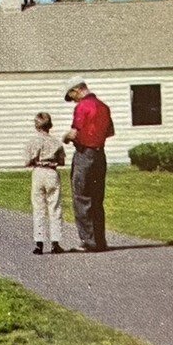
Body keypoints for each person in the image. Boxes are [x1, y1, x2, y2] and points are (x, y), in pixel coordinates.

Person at [62, 76, 115, 252]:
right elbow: (109, 132)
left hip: (84, 154)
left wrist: (65, 138)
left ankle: (88, 241)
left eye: (72, 96)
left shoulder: (81, 107)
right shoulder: (104, 107)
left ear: (76, 90)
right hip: (100, 155)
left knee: (82, 196)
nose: (73, 101)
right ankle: (100, 240)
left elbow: (74, 134)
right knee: (97, 198)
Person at [24, 112, 66, 255]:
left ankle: (39, 243)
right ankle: (55, 243)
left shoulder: (32, 142)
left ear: (36, 126)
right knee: (55, 207)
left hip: (38, 173)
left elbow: (27, 161)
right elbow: (62, 161)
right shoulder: (56, 143)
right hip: (52, 172)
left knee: (39, 208)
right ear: (50, 125)